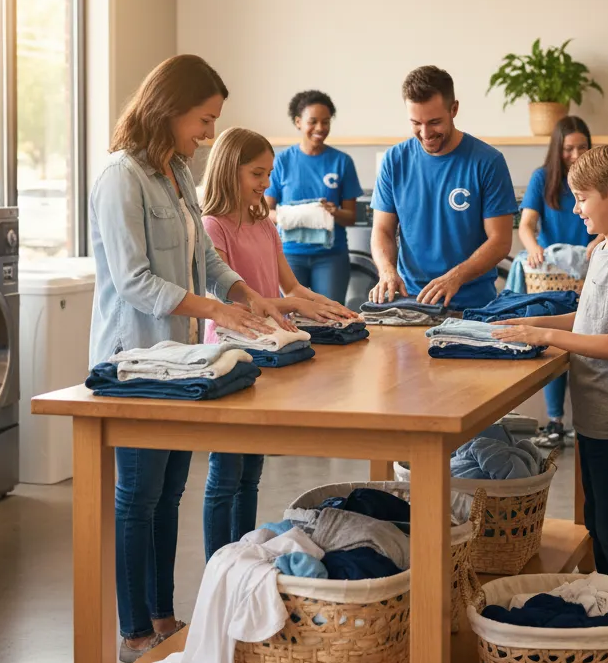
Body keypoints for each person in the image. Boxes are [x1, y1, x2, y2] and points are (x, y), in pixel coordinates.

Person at [88, 55, 287, 663]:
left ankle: (162, 615)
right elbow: (134, 281)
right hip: (136, 363)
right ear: (169, 108)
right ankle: (132, 631)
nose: (206, 134)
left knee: (170, 492)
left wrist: (242, 294)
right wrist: (216, 310)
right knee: (137, 497)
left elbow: (203, 259)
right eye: (203, 121)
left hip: (177, 365)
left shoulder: (175, 173)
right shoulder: (121, 177)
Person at [492, 145, 608, 581]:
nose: (577, 208)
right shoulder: (602, 249)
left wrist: (545, 336)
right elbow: (584, 318)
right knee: (600, 525)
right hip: (597, 416)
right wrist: (529, 320)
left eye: (583, 199)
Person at [200, 127, 357, 561]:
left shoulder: (263, 225)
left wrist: (332, 307)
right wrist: (295, 305)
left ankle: (244, 558)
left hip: (269, 356)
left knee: (250, 472)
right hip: (231, 355)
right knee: (226, 472)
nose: (265, 183)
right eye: (257, 173)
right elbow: (230, 298)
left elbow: (290, 285)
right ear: (230, 169)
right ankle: (220, 566)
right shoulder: (213, 227)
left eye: (268, 174)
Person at [369, 65, 517, 309]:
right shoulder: (395, 160)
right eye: (416, 122)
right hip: (410, 302)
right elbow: (382, 231)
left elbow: (500, 241)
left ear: (454, 109)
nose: (425, 133)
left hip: (472, 304)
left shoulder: (488, 162)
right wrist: (386, 271)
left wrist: (455, 278)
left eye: (435, 122)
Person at [518, 115, 596, 448]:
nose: (576, 154)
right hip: (551, 275)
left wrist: (597, 244)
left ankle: (587, 420)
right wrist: (533, 247)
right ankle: (554, 422)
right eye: (568, 148)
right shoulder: (542, 178)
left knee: (586, 346)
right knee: (554, 347)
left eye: (582, 147)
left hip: (589, 272)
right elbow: (526, 224)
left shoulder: (597, 179)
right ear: (557, 149)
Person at [266, 90, 362, 305]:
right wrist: (293, 215)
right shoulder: (281, 162)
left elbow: (351, 217)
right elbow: (264, 212)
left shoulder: (342, 162)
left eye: (326, 122)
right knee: (291, 319)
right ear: (298, 122)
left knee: (330, 317)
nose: (320, 128)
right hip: (289, 256)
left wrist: (333, 211)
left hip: (331, 257)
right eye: (313, 121)